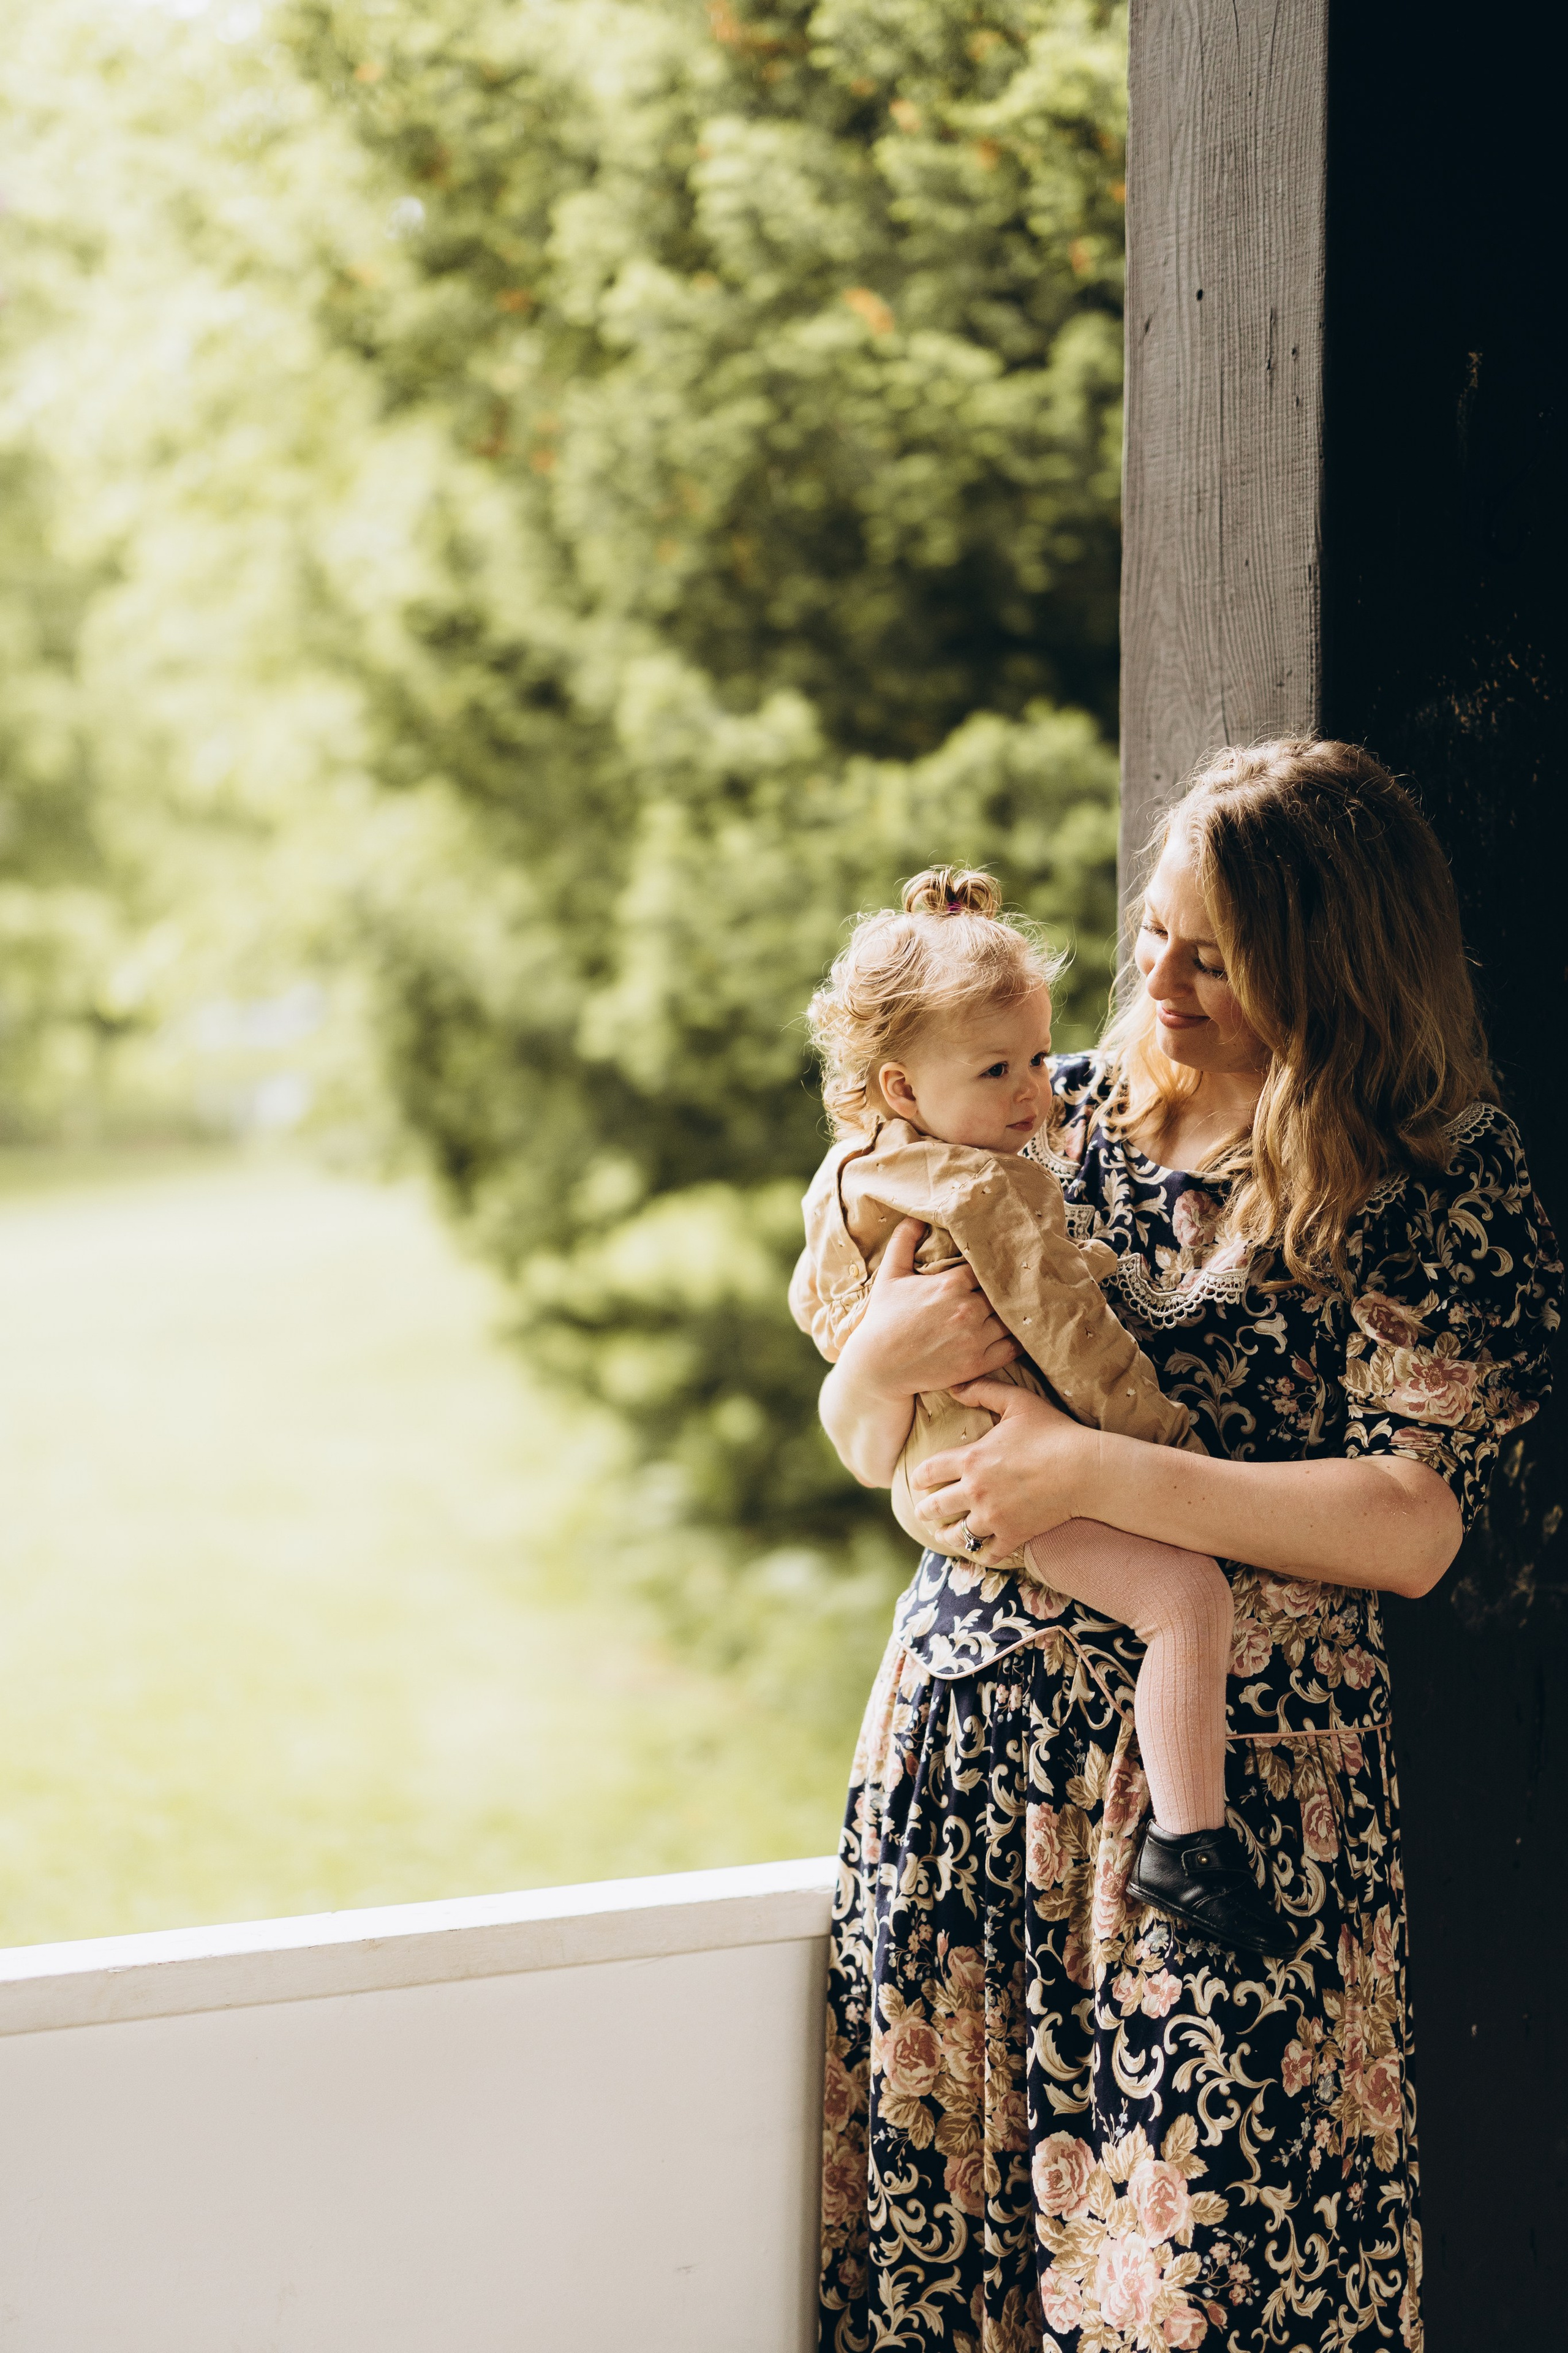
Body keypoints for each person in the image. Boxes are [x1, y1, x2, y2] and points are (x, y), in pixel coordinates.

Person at [814, 741, 1561, 2353]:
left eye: (1214, 954)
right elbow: (893, 1411)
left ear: (1331, 965)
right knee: (958, 2278)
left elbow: (1413, 1522)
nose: (1160, 976)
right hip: (973, 1756)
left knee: (1220, 2289)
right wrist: (884, 1388)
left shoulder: (1430, 1171)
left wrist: (1090, 1469)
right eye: (1155, 928)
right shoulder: (1038, 1114)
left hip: (1234, 1809)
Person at [792, 866, 1291, 1954]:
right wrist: (1152, 1445)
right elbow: (1071, 1336)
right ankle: (1188, 1845)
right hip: (1006, 1485)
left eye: (1033, 1057)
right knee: (1186, 1598)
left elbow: (817, 1305)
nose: (1035, 1092)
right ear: (904, 1085)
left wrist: (873, 1350)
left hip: (947, 1491)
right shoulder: (992, 1187)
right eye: (999, 1070)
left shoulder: (852, 1176)